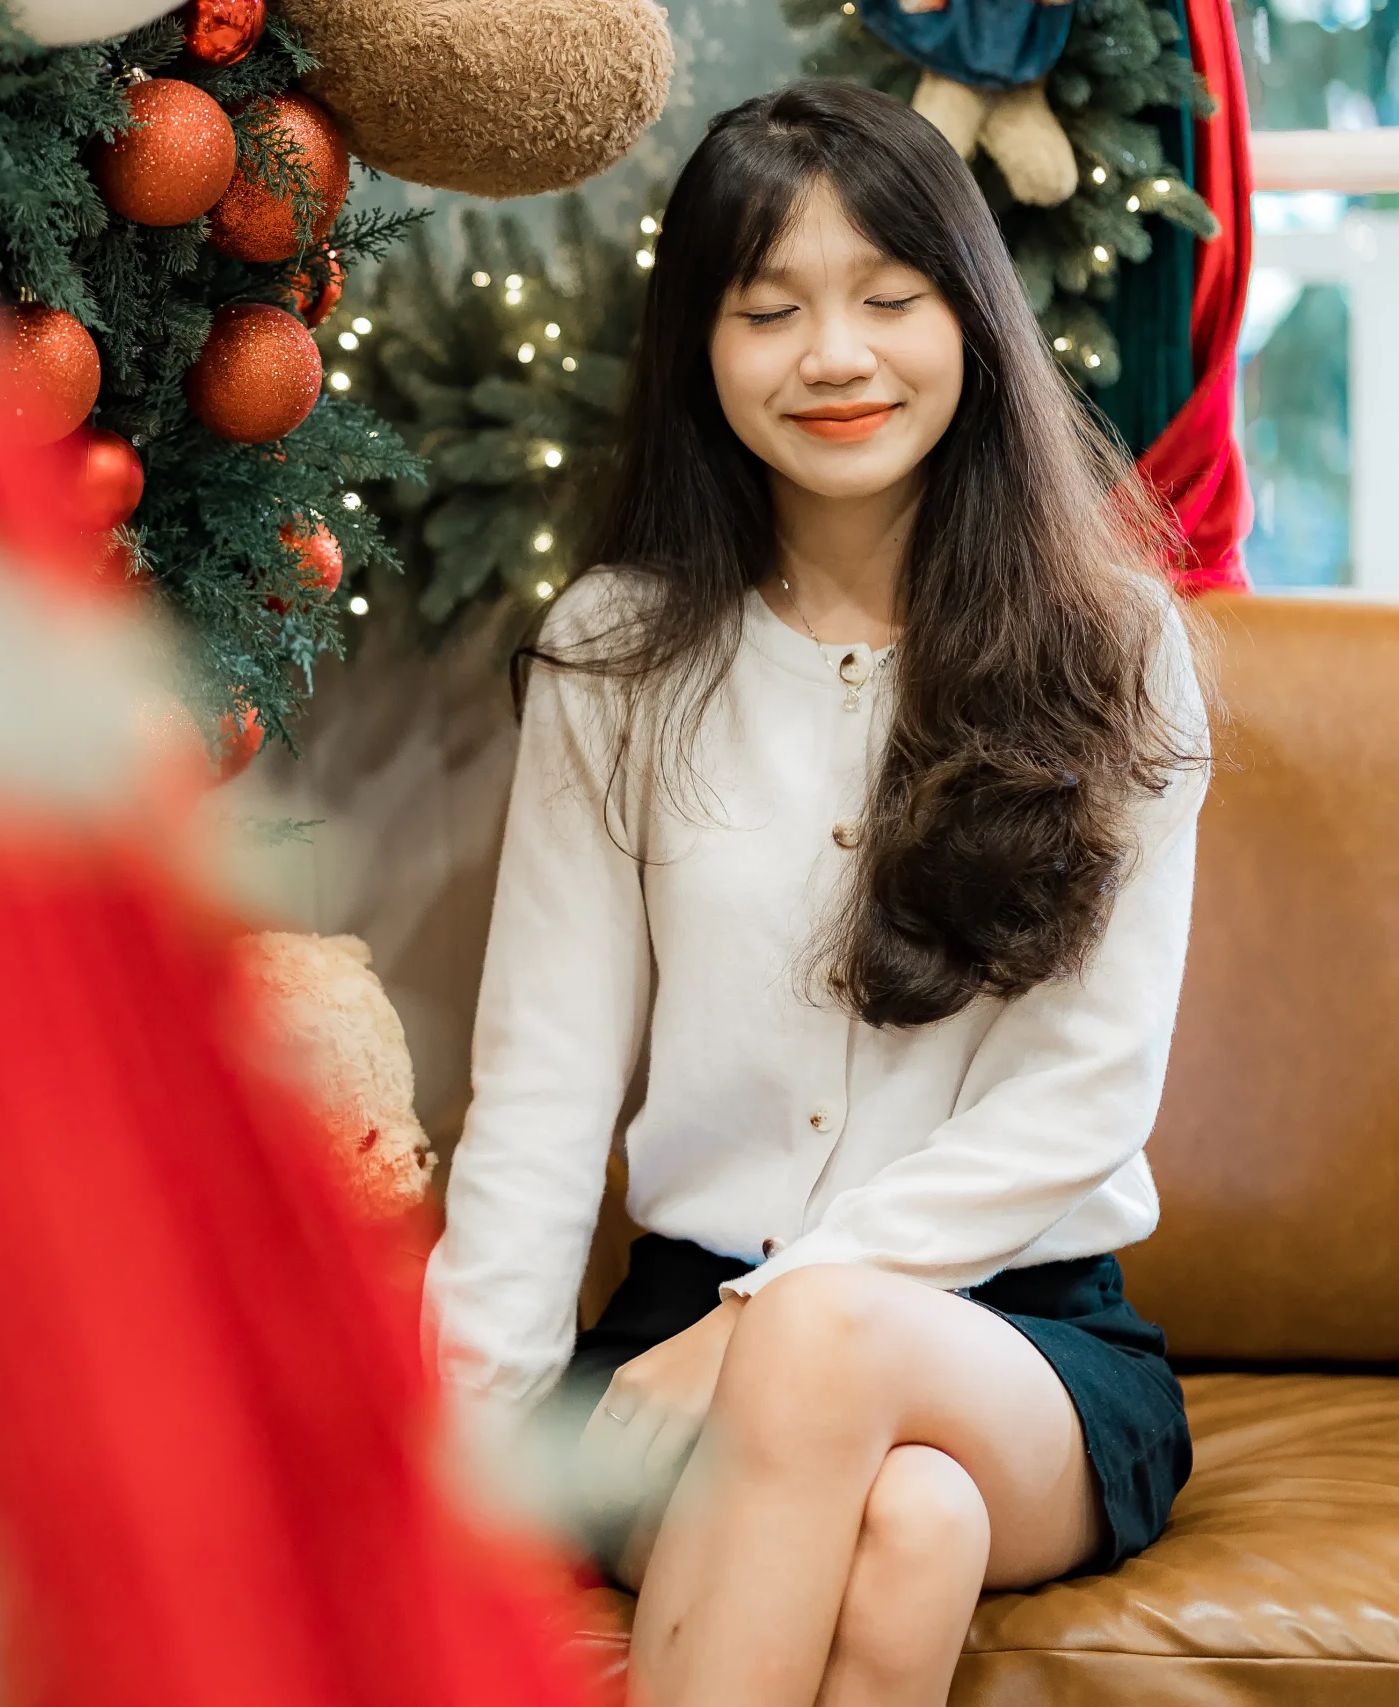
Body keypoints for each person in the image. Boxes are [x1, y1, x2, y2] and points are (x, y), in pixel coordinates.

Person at [423, 80, 1210, 1707]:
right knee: (910, 1526)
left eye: (889, 300)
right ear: (702, 352)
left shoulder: (1121, 648)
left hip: (1025, 1342)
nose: (833, 355)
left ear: (971, 322)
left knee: (828, 1345)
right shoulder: (616, 654)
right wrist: (473, 1440)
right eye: (768, 308)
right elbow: (547, 1083)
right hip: (674, 1333)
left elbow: (1082, 1100)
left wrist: (766, 1317)